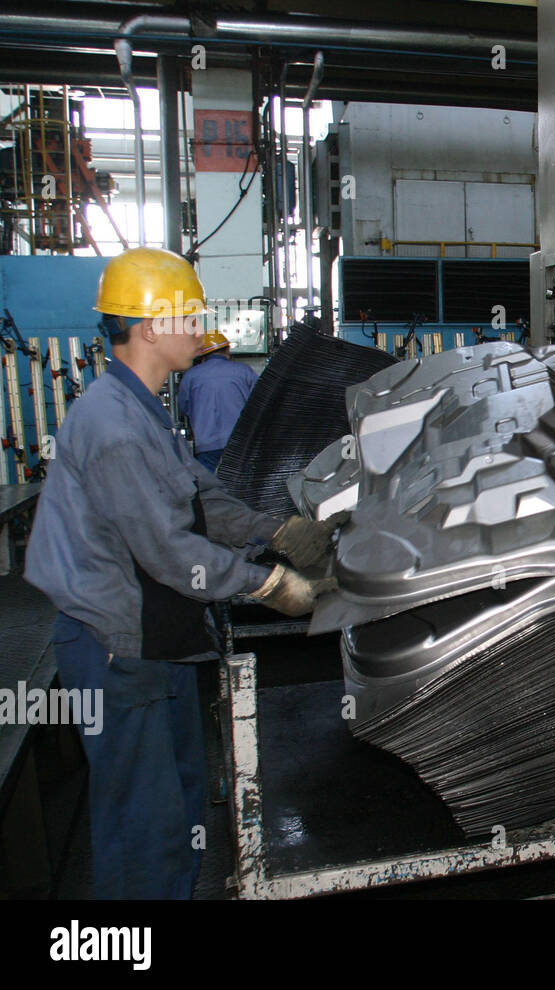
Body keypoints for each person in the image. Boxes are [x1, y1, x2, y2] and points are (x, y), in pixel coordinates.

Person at [24, 247, 345, 899]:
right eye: (187, 314)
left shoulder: (142, 409)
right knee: (148, 826)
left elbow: (200, 496)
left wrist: (278, 531)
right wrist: (273, 585)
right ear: (148, 328)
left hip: (158, 638)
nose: (199, 325)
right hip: (118, 648)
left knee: (178, 803)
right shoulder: (112, 426)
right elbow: (170, 551)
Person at [176, 331, 258, 472]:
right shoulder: (244, 371)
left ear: (202, 355)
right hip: (240, 444)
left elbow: (183, 407)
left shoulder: (191, 376)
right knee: (239, 487)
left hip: (206, 445)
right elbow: (260, 404)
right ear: (227, 350)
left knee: (212, 490)